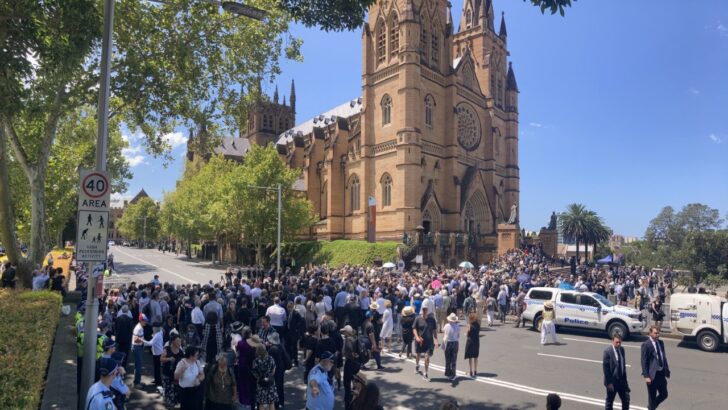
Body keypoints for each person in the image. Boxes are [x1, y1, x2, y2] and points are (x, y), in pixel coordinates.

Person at [641, 326, 670, 410]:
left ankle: (651, 407)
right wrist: (646, 376)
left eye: (658, 333)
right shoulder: (646, 345)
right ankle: (652, 407)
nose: (657, 335)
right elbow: (644, 361)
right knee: (652, 398)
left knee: (664, 394)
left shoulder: (661, 343)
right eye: (655, 333)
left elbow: (663, 357)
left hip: (661, 374)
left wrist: (666, 369)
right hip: (652, 375)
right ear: (650, 333)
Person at [602, 334, 630, 410]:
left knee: (626, 400)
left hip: (621, 381)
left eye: (620, 342)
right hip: (612, 382)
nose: (618, 344)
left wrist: (625, 382)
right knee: (610, 401)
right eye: (617, 342)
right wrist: (609, 383)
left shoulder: (622, 350)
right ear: (612, 341)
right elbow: (606, 368)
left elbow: (623, 366)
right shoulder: (607, 351)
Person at [413, 305, 438, 381]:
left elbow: (434, 330)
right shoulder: (418, 318)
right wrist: (417, 337)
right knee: (418, 355)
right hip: (420, 341)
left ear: (428, 310)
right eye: (423, 309)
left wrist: (436, 340)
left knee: (427, 357)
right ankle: (417, 365)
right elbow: (414, 328)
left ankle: (425, 373)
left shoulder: (432, 320)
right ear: (421, 310)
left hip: (429, 342)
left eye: (426, 309)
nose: (424, 311)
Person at [175, 346, 204, 410]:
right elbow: (176, 377)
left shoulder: (197, 362)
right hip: (186, 392)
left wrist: (198, 379)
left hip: (196, 391)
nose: (198, 356)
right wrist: (182, 369)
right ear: (191, 356)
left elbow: (202, 375)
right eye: (196, 355)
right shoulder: (182, 363)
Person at [266, 332, 290, 409]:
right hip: (281, 369)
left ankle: (276, 404)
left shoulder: (273, 349)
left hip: (276, 370)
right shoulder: (280, 346)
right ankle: (281, 402)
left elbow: (269, 361)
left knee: (275, 387)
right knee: (280, 386)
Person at [161, 333, 184, 408]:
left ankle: (171, 403)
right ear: (173, 342)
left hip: (175, 375)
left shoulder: (180, 351)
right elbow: (161, 359)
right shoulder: (167, 349)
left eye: (180, 342)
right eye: (177, 341)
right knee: (168, 389)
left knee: (174, 390)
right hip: (167, 373)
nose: (179, 343)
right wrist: (169, 359)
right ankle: (168, 403)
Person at [252, 344, 278, 410]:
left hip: (261, 383)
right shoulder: (270, 358)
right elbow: (274, 370)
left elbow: (254, 372)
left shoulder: (256, 361)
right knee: (271, 403)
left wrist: (259, 378)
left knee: (261, 403)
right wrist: (270, 376)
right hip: (270, 382)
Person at [144, 322, 164, 389]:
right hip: (157, 353)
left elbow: (150, 343)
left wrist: (142, 341)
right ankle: (156, 380)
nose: (152, 328)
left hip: (157, 354)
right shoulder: (159, 333)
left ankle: (158, 382)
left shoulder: (157, 335)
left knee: (157, 369)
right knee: (156, 368)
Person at [132, 313, 149, 387]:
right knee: (138, 365)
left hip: (139, 347)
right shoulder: (138, 328)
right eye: (144, 320)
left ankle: (137, 381)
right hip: (137, 347)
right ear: (141, 320)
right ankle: (136, 383)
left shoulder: (140, 327)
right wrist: (143, 341)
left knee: (138, 365)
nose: (146, 322)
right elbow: (135, 339)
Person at [442, 313, 460, 382]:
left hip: (448, 343)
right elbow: (458, 336)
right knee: (454, 359)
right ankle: (453, 374)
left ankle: (447, 373)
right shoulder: (457, 326)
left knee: (447, 359)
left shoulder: (446, 325)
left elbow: (444, 334)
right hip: (455, 342)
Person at [464, 312, 481, 378]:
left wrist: (465, 333)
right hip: (476, 341)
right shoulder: (478, 325)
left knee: (470, 357)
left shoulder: (469, 325)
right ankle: (475, 370)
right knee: (475, 356)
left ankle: (470, 371)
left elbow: (467, 334)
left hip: (470, 341)